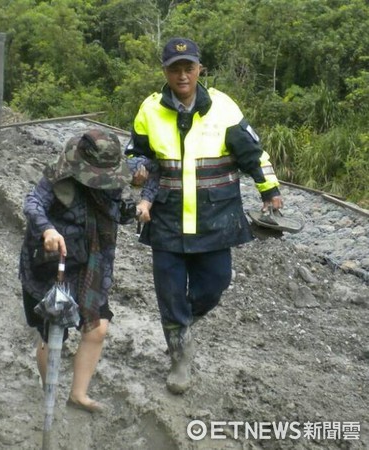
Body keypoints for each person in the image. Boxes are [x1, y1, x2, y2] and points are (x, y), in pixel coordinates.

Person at [125, 37, 283, 394]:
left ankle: (183, 324)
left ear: (200, 70)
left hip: (216, 217)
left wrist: (269, 190)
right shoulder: (150, 109)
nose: (182, 75)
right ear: (164, 72)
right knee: (168, 292)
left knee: (215, 284)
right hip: (166, 217)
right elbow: (137, 152)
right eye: (174, 69)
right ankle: (179, 354)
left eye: (188, 68)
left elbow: (252, 153)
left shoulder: (224, 107)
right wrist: (136, 167)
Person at [19, 128, 135, 412]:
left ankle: (78, 394)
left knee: (97, 329)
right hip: (53, 264)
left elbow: (116, 212)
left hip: (93, 265)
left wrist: (134, 210)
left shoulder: (112, 180)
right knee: (52, 334)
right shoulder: (59, 174)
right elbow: (33, 204)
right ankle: (51, 390)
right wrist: (47, 230)